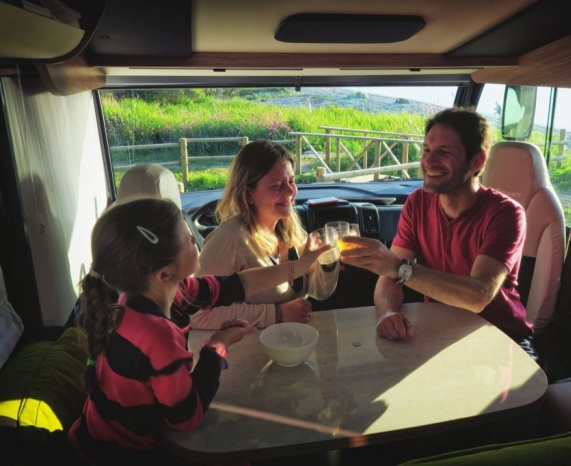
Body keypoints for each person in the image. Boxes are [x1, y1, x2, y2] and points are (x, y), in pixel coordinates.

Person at [68, 197, 330, 465]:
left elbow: (236, 285)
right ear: (164, 274)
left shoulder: (163, 293)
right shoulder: (157, 333)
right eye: (187, 239)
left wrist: (299, 266)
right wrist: (217, 347)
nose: (194, 239)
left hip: (100, 438)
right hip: (122, 456)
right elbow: (186, 416)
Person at [339, 108, 537, 359]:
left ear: (477, 162)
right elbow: (389, 277)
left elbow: (478, 296)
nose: (429, 162)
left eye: (444, 153)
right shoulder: (417, 202)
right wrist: (388, 312)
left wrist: (399, 269)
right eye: (426, 151)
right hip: (442, 331)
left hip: (502, 337)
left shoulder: (506, 214)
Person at [191, 140, 339, 330]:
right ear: (248, 194)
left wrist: (328, 261)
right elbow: (199, 314)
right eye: (276, 186)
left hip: (292, 342)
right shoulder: (228, 239)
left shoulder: (291, 230)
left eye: (292, 181)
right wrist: (276, 314)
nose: (290, 191)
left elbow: (318, 292)